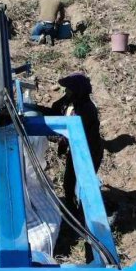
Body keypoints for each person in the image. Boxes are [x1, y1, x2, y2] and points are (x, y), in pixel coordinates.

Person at [50, 73, 103, 210]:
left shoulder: (86, 110)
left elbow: (75, 133)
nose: (66, 91)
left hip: (88, 153)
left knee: (84, 183)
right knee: (68, 182)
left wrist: (58, 139)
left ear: (78, 91)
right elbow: (54, 109)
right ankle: (71, 207)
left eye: (69, 89)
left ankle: (85, 212)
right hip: (75, 150)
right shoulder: (69, 101)